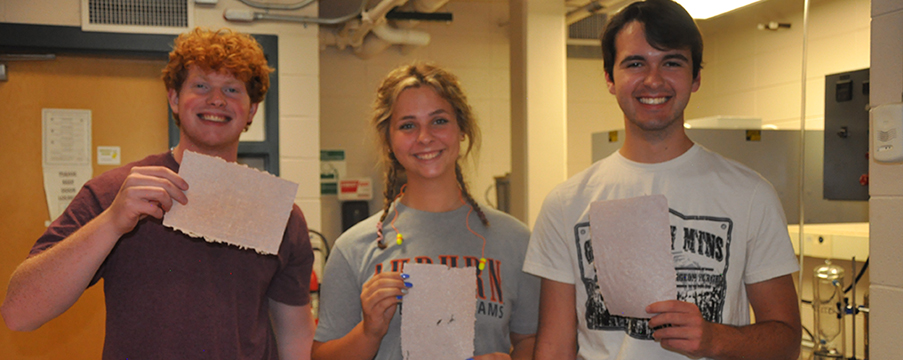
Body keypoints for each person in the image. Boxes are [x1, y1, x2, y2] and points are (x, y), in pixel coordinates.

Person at [1, 27, 315, 359]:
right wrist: (111, 223)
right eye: (201, 85)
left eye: (232, 89)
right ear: (174, 99)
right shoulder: (115, 194)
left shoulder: (278, 215)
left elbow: (295, 332)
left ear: (251, 111)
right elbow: (20, 313)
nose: (217, 99)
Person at [523, 1, 802, 359]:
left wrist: (715, 338)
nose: (653, 80)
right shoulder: (566, 203)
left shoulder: (750, 194)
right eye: (635, 63)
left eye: (671, 62)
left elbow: (787, 341)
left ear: (696, 77)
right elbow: (554, 347)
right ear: (610, 78)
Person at [311, 62, 539, 360]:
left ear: (462, 130)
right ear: (389, 141)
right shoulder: (354, 248)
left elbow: (532, 340)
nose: (424, 137)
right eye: (407, 125)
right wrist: (369, 332)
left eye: (439, 121)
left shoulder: (516, 240)